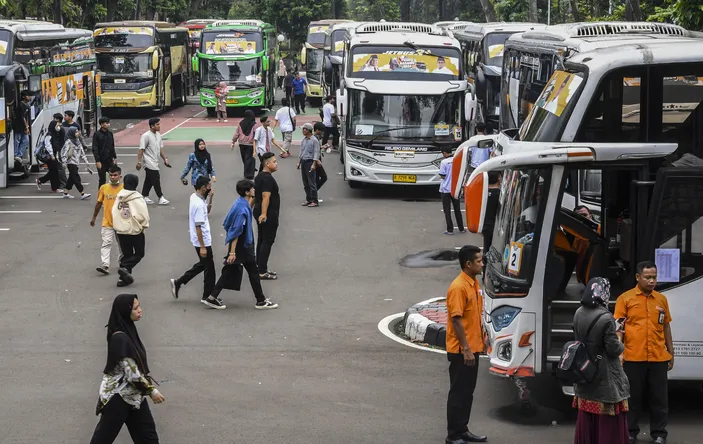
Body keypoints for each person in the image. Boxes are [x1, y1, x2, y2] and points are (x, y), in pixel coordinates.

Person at [88, 294, 164, 444]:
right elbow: (131, 371)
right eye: (136, 308)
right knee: (102, 439)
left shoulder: (128, 330)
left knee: (148, 438)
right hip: (118, 397)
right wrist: (151, 391)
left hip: (134, 395)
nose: (140, 311)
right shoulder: (119, 337)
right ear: (125, 311)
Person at [614, 262, 674, 444]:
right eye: (648, 277)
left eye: (654, 277)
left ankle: (659, 434)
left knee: (659, 400)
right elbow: (619, 329)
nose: (652, 280)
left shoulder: (661, 299)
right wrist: (619, 353)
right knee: (632, 399)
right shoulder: (625, 299)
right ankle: (631, 432)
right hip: (633, 358)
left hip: (658, 358)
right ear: (638, 277)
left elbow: (666, 326)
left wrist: (671, 352)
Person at [573, 277, 630, 444]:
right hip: (604, 374)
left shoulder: (578, 312)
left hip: (584, 369)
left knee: (587, 416)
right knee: (607, 420)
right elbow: (613, 349)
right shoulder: (606, 318)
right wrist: (619, 339)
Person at [210, 179, 279, 309]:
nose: (254, 190)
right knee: (252, 271)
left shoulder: (240, 203)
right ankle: (261, 300)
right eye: (252, 189)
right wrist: (232, 252)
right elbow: (237, 231)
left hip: (240, 245)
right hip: (242, 246)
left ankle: (212, 296)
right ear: (247, 192)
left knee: (232, 271)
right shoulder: (242, 209)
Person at [445, 245, 487, 444]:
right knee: (458, 392)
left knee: (467, 392)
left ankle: (463, 429)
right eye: (479, 261)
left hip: (473, 347)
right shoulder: (458, 287)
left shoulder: (473, 282)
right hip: (462, 351)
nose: (482, 264)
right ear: (468, 264)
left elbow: (474, 317)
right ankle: (453, 435)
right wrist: (467, 349)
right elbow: (456, 320)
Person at [170, 176, 222, 309]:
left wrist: (210, 198)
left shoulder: (196, 197)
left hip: (200, 240)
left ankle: (179, 282)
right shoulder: (198, 204)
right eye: (208, 186)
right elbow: (198, 226)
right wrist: (203, 247)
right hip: (202, 241)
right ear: (203, 187)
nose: (210, 188)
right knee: (209, 269)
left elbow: (207, 211)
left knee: (203, 265)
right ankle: (208, 296)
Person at [112, 174, 150, 287]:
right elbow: (143, 214)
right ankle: (124, 267)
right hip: (135, 230)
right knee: (139, 253)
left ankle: (123, 278)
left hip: (121, 230)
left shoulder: (119, 196)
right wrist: (144, 225)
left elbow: (114, 212)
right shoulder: (137, 197)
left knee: (127, 253)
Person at [91, 165, 124, 275]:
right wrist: (94, 218)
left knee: (122, 245)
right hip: (107, 222)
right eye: (111, 175)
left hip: (121, 223)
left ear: (120, 176)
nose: (113, 177)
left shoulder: (124, 188)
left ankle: (122, 263)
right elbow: (99, 203)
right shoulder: (104, 188)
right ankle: (105, 265)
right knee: (106, 243)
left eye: (115, 175)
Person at [254, 152, 281, 280]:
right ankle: (262, 271)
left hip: (259, 210)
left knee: (262, 239)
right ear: (267, 163)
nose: (276, 164)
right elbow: (266, 196)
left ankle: (259, 266)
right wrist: (264, 213)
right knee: (267, 240)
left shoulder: (259, 176)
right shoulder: (267, 178)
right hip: (268, 213)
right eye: (274, 162)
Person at [137, 117, 170, 205]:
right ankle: (160, 197)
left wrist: (165, 159)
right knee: (156, 178)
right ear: (152, 126)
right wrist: (139, 162)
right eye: (157, 124)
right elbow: (141, 149)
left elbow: (160, 148)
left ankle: (144, 196)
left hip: (155, 161)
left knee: (149, 179)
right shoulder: (146, 136)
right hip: (148, 162)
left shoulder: (158, 135)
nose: (159, 126)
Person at [439, 147, 465, 235]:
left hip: (445, 189)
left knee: (447, 210)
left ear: (444, 152)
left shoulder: (444, 162)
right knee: (457, 209)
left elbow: (442, 175)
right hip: (455, 188)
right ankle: (461, 228)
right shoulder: (457, 160)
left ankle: (450, 230)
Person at [61, 126, 93, 200]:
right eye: (75, 132)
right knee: (76, 178)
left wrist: (86, 162)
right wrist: (64, 162)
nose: (77, 133)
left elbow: (82, 152)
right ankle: (82, 193)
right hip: (70, 162)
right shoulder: (68, 142)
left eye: (77, 131)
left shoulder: (77, 141)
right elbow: (64, 153)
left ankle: (65, 193)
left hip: (76, 162)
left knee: (71, 178)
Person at [231, 109, 260, 180]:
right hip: (250, 144)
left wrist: (233, 141)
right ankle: (249, 173)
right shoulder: (254, 124)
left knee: (245, 158)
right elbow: (256, 134)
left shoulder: (240, 123)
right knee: (249, 158)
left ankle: (249, 171)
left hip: (241, 143)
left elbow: (236, 133)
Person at [297, 123, 321, 207]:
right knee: (305, 183)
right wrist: (299, 161)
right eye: (303, 129)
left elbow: (316, 153)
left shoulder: (314, 140)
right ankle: (308, 199)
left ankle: (314, 200)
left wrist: (314, 164)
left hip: (310, 162)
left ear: (309, 130)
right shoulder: (304, 140)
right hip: (304, 161)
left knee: (312, 182)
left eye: (305, 129)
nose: (303, 131)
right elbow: (301, 151)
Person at [92, 116, 118, 188]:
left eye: (108, 123)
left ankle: (113, 193)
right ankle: (101, 195)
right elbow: (95, 148)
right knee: (102, 179)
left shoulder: (110, 134)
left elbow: (112, 146)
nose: (108, 124)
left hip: (110, 160)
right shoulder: (97, 134)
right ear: (101, 124)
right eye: (106, 123)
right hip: (101, 161)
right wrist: (97, 161)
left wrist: (115, 157)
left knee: (114, 178)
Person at [482, 172, 501, 255]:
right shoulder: (500, 194)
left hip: (485, 224)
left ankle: (485, 263)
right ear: (498, 179)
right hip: (496, 225)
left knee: (487, 246)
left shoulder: (482, 192)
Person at [49, 113, 68, 188]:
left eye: (54, 119)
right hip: (57, 149)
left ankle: (63, 183)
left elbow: (62, 140)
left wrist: (58, 149)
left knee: (60, 167)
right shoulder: (57, 128)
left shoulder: (60, 128)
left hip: (59, 150)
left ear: (57, 119)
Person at [13, 90, 31, 163]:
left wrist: (27, 126)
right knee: (17, 140)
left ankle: (19, 155)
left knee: (26, 140)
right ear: (23, 96)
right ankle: (15, 155)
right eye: (27, 96)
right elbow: (22, 117)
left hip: (24, 126)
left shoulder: (26, 105)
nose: (29, 97)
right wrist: (26, 127)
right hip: (19, 126)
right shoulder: (20, 105)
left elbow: (25, 117)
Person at [312, 122, 328, 195]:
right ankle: (313, 192)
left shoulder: (316, 137)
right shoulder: (314, 138)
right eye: (321, 131)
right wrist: (317, 160)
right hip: (316, 160)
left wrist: (322, 146)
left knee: (317, 178)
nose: (322, 133)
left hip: (317, 159)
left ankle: (314, 193)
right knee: (323, 177)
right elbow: (314, 150)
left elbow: (317, 147)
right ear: (317, 130)